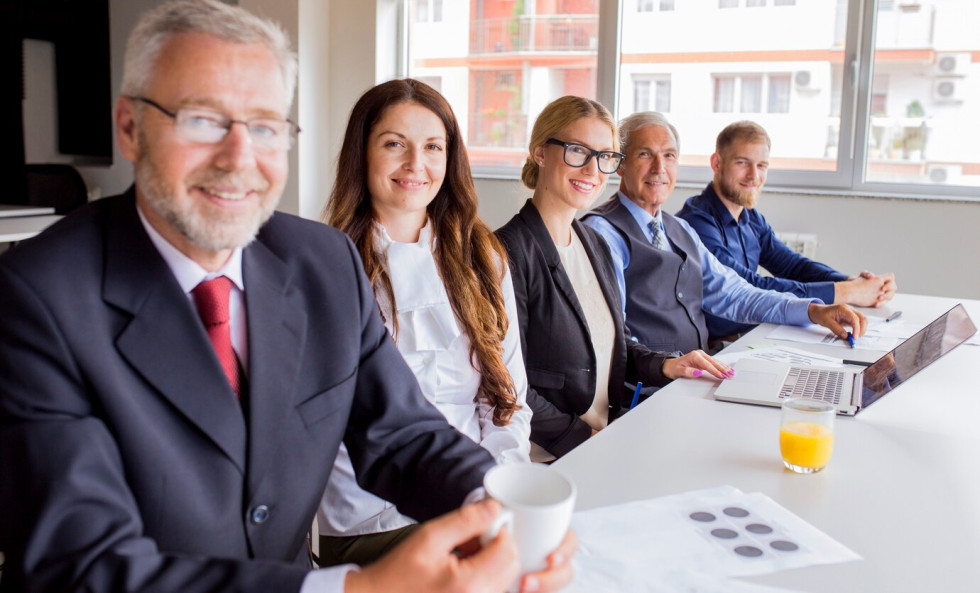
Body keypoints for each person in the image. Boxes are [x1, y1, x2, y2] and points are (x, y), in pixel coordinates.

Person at [0, 2, 573, 593]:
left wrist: (501, 507)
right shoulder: (38, 298)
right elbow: (79, 567)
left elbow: (400, 433)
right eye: (201, 120)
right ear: (129, 128)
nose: (238, 158)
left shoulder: (321, 262)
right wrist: (356, 590)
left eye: (266, 126)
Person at [318, 79, 531, 566]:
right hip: (365, 521)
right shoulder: (327, 262)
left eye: (433, 147)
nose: (417, 164)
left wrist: (494, 498)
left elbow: (506, 400)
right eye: (395, 144)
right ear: (362, 154)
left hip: (472, 502)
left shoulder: (484, 258)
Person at [496, 97, 731, 461]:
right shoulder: (506, 251)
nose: (593, 170)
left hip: (600, 438)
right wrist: (587, 439)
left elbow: (616, 342)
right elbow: (508, 384)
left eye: (605, 156)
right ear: (540, 152)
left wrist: (667, 364)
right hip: (545, 458)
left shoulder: (592, 242)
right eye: (578, 151)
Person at [582, 112, 867, 354]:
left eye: (669, 156)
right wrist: (666, 369)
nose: (660, 168)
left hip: (696, 371)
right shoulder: (603, 232)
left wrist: (813, 311)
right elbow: (612, 337)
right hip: (645, 390)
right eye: (645, 154)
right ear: (619, 164)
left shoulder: (679, 229)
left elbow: (736, 294)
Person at [676, 120, 897, 341]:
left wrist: (856, 282)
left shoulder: (751, 217)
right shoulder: (695, 222)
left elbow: (792, 266)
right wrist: (851, 292)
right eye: (742, 163)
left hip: (756, 332)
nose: (754, 175)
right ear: (717, 163)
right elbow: (748, 288)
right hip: (716, 346)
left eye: (762, 166)